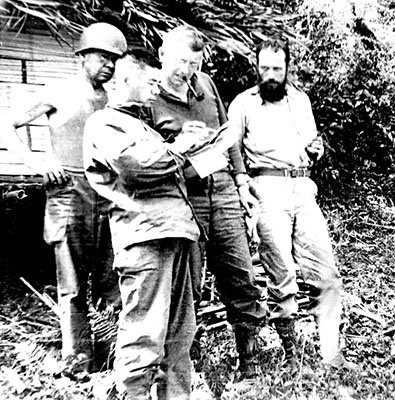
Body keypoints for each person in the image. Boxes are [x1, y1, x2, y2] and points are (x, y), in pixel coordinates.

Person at [0, 22, 126, 374]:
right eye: (103, 57)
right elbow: (7, 125)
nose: (109, 65)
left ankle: (112, 354)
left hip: (108, 192)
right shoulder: (57, 90)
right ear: (83, 56)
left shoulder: (115, 100)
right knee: (71, 282)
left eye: (115, 60)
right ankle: (78, 361)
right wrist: (39, 161)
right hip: (68, 191)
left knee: (110, 277)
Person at [83, 49, 206, 400]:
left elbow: (164, 166)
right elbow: (135, 166)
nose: (155, 90)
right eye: (150, 82)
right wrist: (181, 146)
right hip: (144, 238)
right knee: (144, 333)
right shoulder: (105, 123)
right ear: (123, 80)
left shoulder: (141, 126)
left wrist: (197, 146)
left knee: (179, 334)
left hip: (175, 233)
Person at [227, 37, 356, 370]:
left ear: (287, 68)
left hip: (302, 188)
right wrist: (243, 185)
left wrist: (317, 148)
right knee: (281, 274)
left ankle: (331, 353)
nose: (271, 74)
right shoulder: (243, 103)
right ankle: (291, 354)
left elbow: (311, 141)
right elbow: (231, 149)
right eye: (265, 68)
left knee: (325, 272)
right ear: (256, 67)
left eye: (277, 68)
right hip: (266, 189)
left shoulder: (300, 100)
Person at [148, 26, 268, 379]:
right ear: (162, 55)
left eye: (195, 63)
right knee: (189, 285)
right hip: (186, 199)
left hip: (225, 192)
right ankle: (189, 364)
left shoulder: (207, 85)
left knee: (240, 275)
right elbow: (149, 159)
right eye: (181, 62)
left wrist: (242, 181)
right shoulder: (148, 100)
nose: (187, 71)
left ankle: (249, 360)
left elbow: (229, 136)